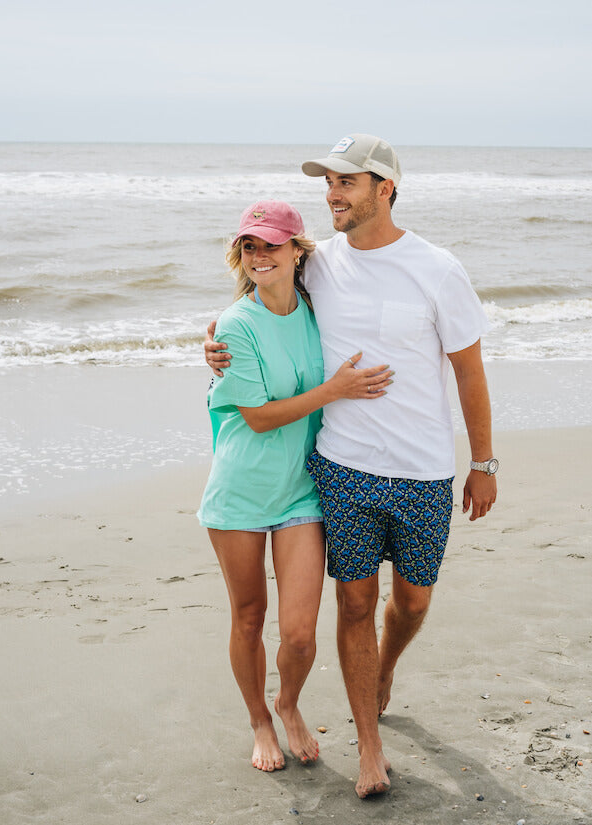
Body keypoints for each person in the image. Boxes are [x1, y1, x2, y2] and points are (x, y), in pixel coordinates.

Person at [205, 136, 498, 798]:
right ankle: (369, 741)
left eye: (347, 182)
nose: (332, 194)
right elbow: (257, 296)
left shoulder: (437, 267)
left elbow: (469, 370)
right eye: (327, 184)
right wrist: (212, 344)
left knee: (414, 599)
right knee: (356, 599)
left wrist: (482, 460)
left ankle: (384, 666)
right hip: (341, 468)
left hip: (424, 469)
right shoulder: (319, 265)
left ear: (385, 188)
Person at [197, 199, 392, 775]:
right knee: (250, 616)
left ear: (297, 251)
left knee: (301, 635)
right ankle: (260, 718)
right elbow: (256, 416)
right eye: (249, 246)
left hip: (301, 490)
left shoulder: (316, 307)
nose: (260, 256)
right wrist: (337, 390)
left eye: (272, 245)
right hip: (240, 490)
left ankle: (289, 702)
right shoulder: (235, 324)